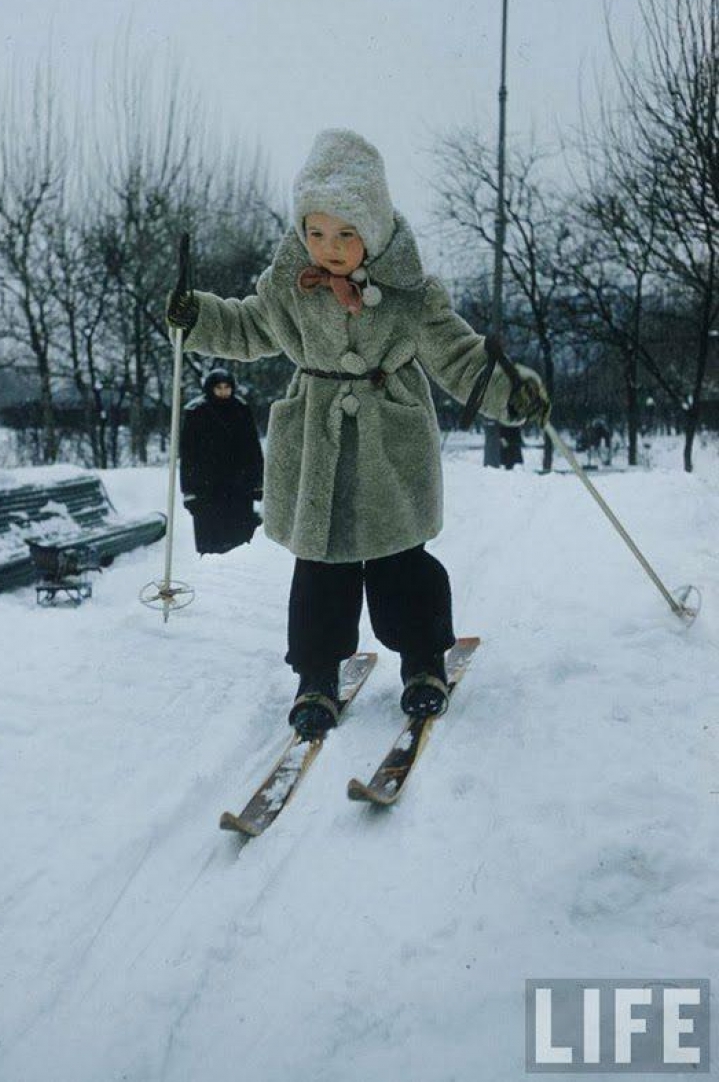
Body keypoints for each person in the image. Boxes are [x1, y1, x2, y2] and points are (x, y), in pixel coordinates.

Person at [167, 129, 550, 738]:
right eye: (316, 233)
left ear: (372, 229)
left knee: (400, 558)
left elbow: (458, 356)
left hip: (388, 436)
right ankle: (316, 673)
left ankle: (423, 660)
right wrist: (199, 316)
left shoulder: (411, 295)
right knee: (320, 567)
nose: (330, 247)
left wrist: (511, 389)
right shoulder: (287, 286)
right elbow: (244, 327)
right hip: (314, 437)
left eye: (346, 233)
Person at [180, 368, 264, 555]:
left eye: (227, 387)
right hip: (208, 486)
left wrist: (258, 482)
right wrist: (189, 491)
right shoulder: (197, 411)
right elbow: (188, 456)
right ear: (210, 388)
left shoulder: (241, 409)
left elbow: (253, 448)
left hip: (239, 485)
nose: (223, 391)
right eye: (219, 387)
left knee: (240, 545)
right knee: (212, 544)